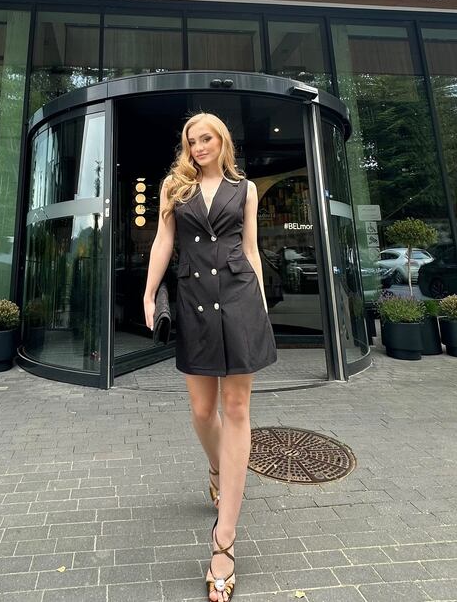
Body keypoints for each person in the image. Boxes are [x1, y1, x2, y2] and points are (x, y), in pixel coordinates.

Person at [143, 112, 277, 602]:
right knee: (202, 411)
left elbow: (251, 250)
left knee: (236, 409)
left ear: (223, 142)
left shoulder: (246, 190)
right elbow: (164, 241)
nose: (199, 147)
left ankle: (224, 541)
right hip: (194, 302)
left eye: (207, 139)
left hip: (240, 300)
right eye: (191, 141)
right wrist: (149, 292)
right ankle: (219, 469)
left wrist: (261, 304)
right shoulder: (174, 187)